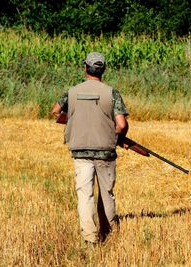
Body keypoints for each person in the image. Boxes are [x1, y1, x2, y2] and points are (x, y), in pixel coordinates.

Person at [51, 52, 129, 245]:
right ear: (103, 70)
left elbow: (55, 111)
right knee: (107, 194)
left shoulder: (72, 91)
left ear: (85, 68)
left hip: (80, 151)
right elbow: (121, 125)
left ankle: (90, 239)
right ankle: (109, 234)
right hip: (105, 152)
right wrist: (117, 137)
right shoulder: (112, 93)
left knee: (85, 195)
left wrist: (77, 118)